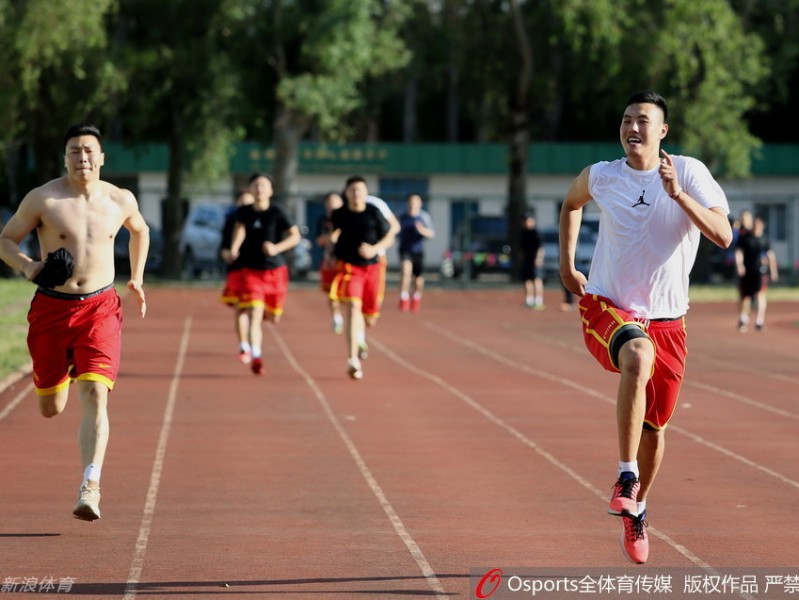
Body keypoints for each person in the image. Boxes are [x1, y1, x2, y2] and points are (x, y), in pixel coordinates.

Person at [559, 91, 732, 564]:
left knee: (655, 428)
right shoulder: (603, 175)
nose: (632, 127)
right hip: (607, 307)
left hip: (669, 320)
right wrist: (566, 263)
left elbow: (723, 234)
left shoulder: (690, 172)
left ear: (662, 132)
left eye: (643, 121)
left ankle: (637, 506)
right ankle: (625, 474)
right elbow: (571, 203)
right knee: (637, 354)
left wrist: (678, 194)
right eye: (626, 119)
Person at [0, 123, 149, 521]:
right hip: (51, 309)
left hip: (100, 308)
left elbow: (141, 230)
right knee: (51, 407)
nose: (81, 158)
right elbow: (5, 240)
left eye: (88, 151)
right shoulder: (44, 199)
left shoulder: (120, 199)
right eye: (73, 152)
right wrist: (30, 267)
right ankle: (61, 370)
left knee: (96, 394)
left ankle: (91, 484)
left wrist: (136, 276)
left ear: (101, 157)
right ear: (64, 158)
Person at [229, 173, 301, 375]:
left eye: (263, 185)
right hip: (251, 270)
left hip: (275, 271)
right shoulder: (243, 211)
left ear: (270, 190)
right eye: (255, 185)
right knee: (254, 313)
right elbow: (240, 229)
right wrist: (235, 247)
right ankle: (256, 354)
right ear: (251, 189)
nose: (259, 189)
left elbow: (295, 236)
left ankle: (256, 345)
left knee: (273, 316)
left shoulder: (278, 211)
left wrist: (277, 248)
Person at [328, 176, 393, 380]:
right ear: (346, 193)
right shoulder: (339, 214)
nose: (357, 194)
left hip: (373, 268)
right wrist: (331, 249)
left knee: (369, 317)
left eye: (360, 190)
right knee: (352, 308)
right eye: (353, 190)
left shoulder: (374, 212)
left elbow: (389, 236)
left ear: (366, 193)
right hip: (349, 267)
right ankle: (352, 359)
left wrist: (374, 249)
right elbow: (335, 234)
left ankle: (361, 336)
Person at [220, 189, 255, 362]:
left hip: (256, 270)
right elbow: (224, 248)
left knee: (255, 309)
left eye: (249, 203)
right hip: (237, 270)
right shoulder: (231, 221)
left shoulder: (260, 219)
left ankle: (254, 343)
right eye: (242, 203)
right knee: (241, 307)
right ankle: (244, 344)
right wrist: (229, 254)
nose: (245, 207)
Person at [735, 212, 778, 332]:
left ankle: (759, 321)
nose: (756, 227)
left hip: (761, 271)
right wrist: (740, 265)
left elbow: (770, 255)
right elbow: (739, 252)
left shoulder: (764, 239)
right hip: (747, 271)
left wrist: (773, 271)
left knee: (760, 294)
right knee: (745, 297)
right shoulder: (745, 238)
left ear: (762, 226)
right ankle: (743, 319)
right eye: (755, 224)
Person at [398, 193, 434, 312]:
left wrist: (422, 230)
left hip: (418, 251)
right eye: (411, 202)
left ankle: (416, 297)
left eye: (415, 202)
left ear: (420, 204)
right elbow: (394, 230)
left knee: (417, 279)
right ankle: (404, 297)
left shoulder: (424, 217)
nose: (413, 204)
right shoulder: (402, 217)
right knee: (406, 271)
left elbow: (431, 234)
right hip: (405, 249)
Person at [315, 192, 345, 333]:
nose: (332, 204)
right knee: (331, 293)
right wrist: (331, 236)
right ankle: (336, 316)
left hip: (345, 261)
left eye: (335, 201)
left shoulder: (348, 218)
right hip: (328, 262)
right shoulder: (322, 220)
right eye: (330, 201)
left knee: (348, 294)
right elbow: (319, 241)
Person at [518, 212, 544, 309]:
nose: (526, 223)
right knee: (527, 280)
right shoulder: (523, 233)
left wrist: (538, 259)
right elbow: (521, 249)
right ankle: (529, 300)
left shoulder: (536, 233)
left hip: (535, 260)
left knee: (537, 279)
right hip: (527, 259)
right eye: (524, 221)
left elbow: (540, 248)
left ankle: (538, 300)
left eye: (528, 221)